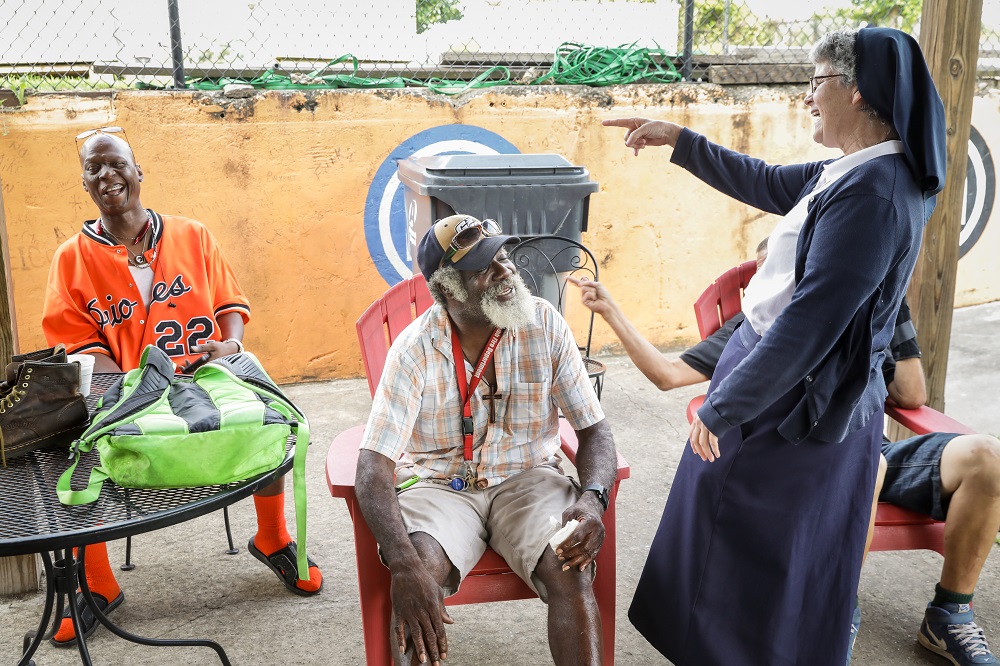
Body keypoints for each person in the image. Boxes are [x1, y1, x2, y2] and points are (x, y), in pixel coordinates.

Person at [603, 26, 947, 664]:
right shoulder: (854, 172)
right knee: (736, 551)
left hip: (789, 401)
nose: (807, 98)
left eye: (816, 83)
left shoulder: (874, 194)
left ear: (860, 91)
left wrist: (725, 404)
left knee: (751, 557)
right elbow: (762, 180)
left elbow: (812, 323)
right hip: (775, 382)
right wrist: (677, 138)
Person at [573, 267, 1000, 665]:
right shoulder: (756, 329)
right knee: (867, 471)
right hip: (804, 469)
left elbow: (910, 394)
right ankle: (835, 608)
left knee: (989, 458)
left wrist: (889, 312)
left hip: (878, 450)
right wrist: (611, 311)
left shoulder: (867, 313)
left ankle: (949, 613)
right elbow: (668, 374)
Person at [41, 127, 323, 646]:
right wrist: (124, 379)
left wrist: (230, 347)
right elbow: (75, 338)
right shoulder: (71, 257)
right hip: (130, 395)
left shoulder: (192, 234)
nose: (107, 175)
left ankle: (272, 537)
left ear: (138, 170)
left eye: (116, 163)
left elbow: (230, 306)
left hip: (208, 379)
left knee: (266, 416)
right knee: (75, 446)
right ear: (84, 183)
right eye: (93, 168)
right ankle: (98, 585)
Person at [354, 214, 617, 666]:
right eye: (485, 268)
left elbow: (594, 430)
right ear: (449, 289)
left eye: (503, 258)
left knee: (569, 565)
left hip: (530, 477)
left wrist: (593, 499)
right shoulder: (414, 350)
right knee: (421, 573)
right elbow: (372, 466)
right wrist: (402, 562)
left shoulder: (545, 325)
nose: (506, 271)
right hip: (443, 485)